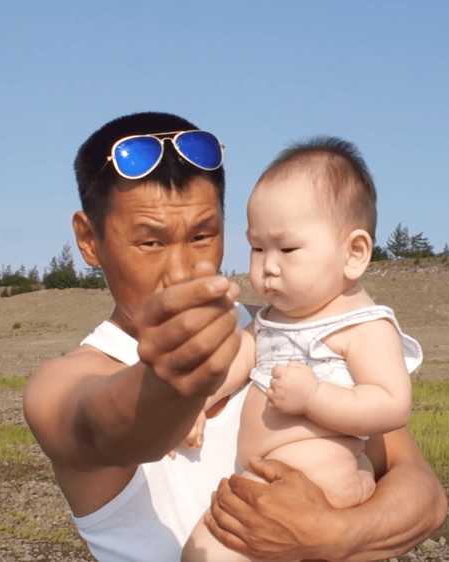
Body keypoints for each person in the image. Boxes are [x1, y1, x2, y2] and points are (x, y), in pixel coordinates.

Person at [23, 112, 447, 562]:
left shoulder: (291, 328)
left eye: (203, 235)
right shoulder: (62, 385)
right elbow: (117, 429)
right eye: (151, 242)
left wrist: (333, 533)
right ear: (89, 240)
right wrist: (174, 382)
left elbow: (423, 492)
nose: (183, 271)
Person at [181, 137, 424, 562]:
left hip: (313, 480)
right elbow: (240, 357)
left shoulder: (362, 325)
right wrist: (204, 399)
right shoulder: (272, 318)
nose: (268, 265)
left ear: (353, 254)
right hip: (266, 475)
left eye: (287, 248)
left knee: (206, 553)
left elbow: (391, 404)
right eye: (257, 247)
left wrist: (314, 398)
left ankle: (354, 485)